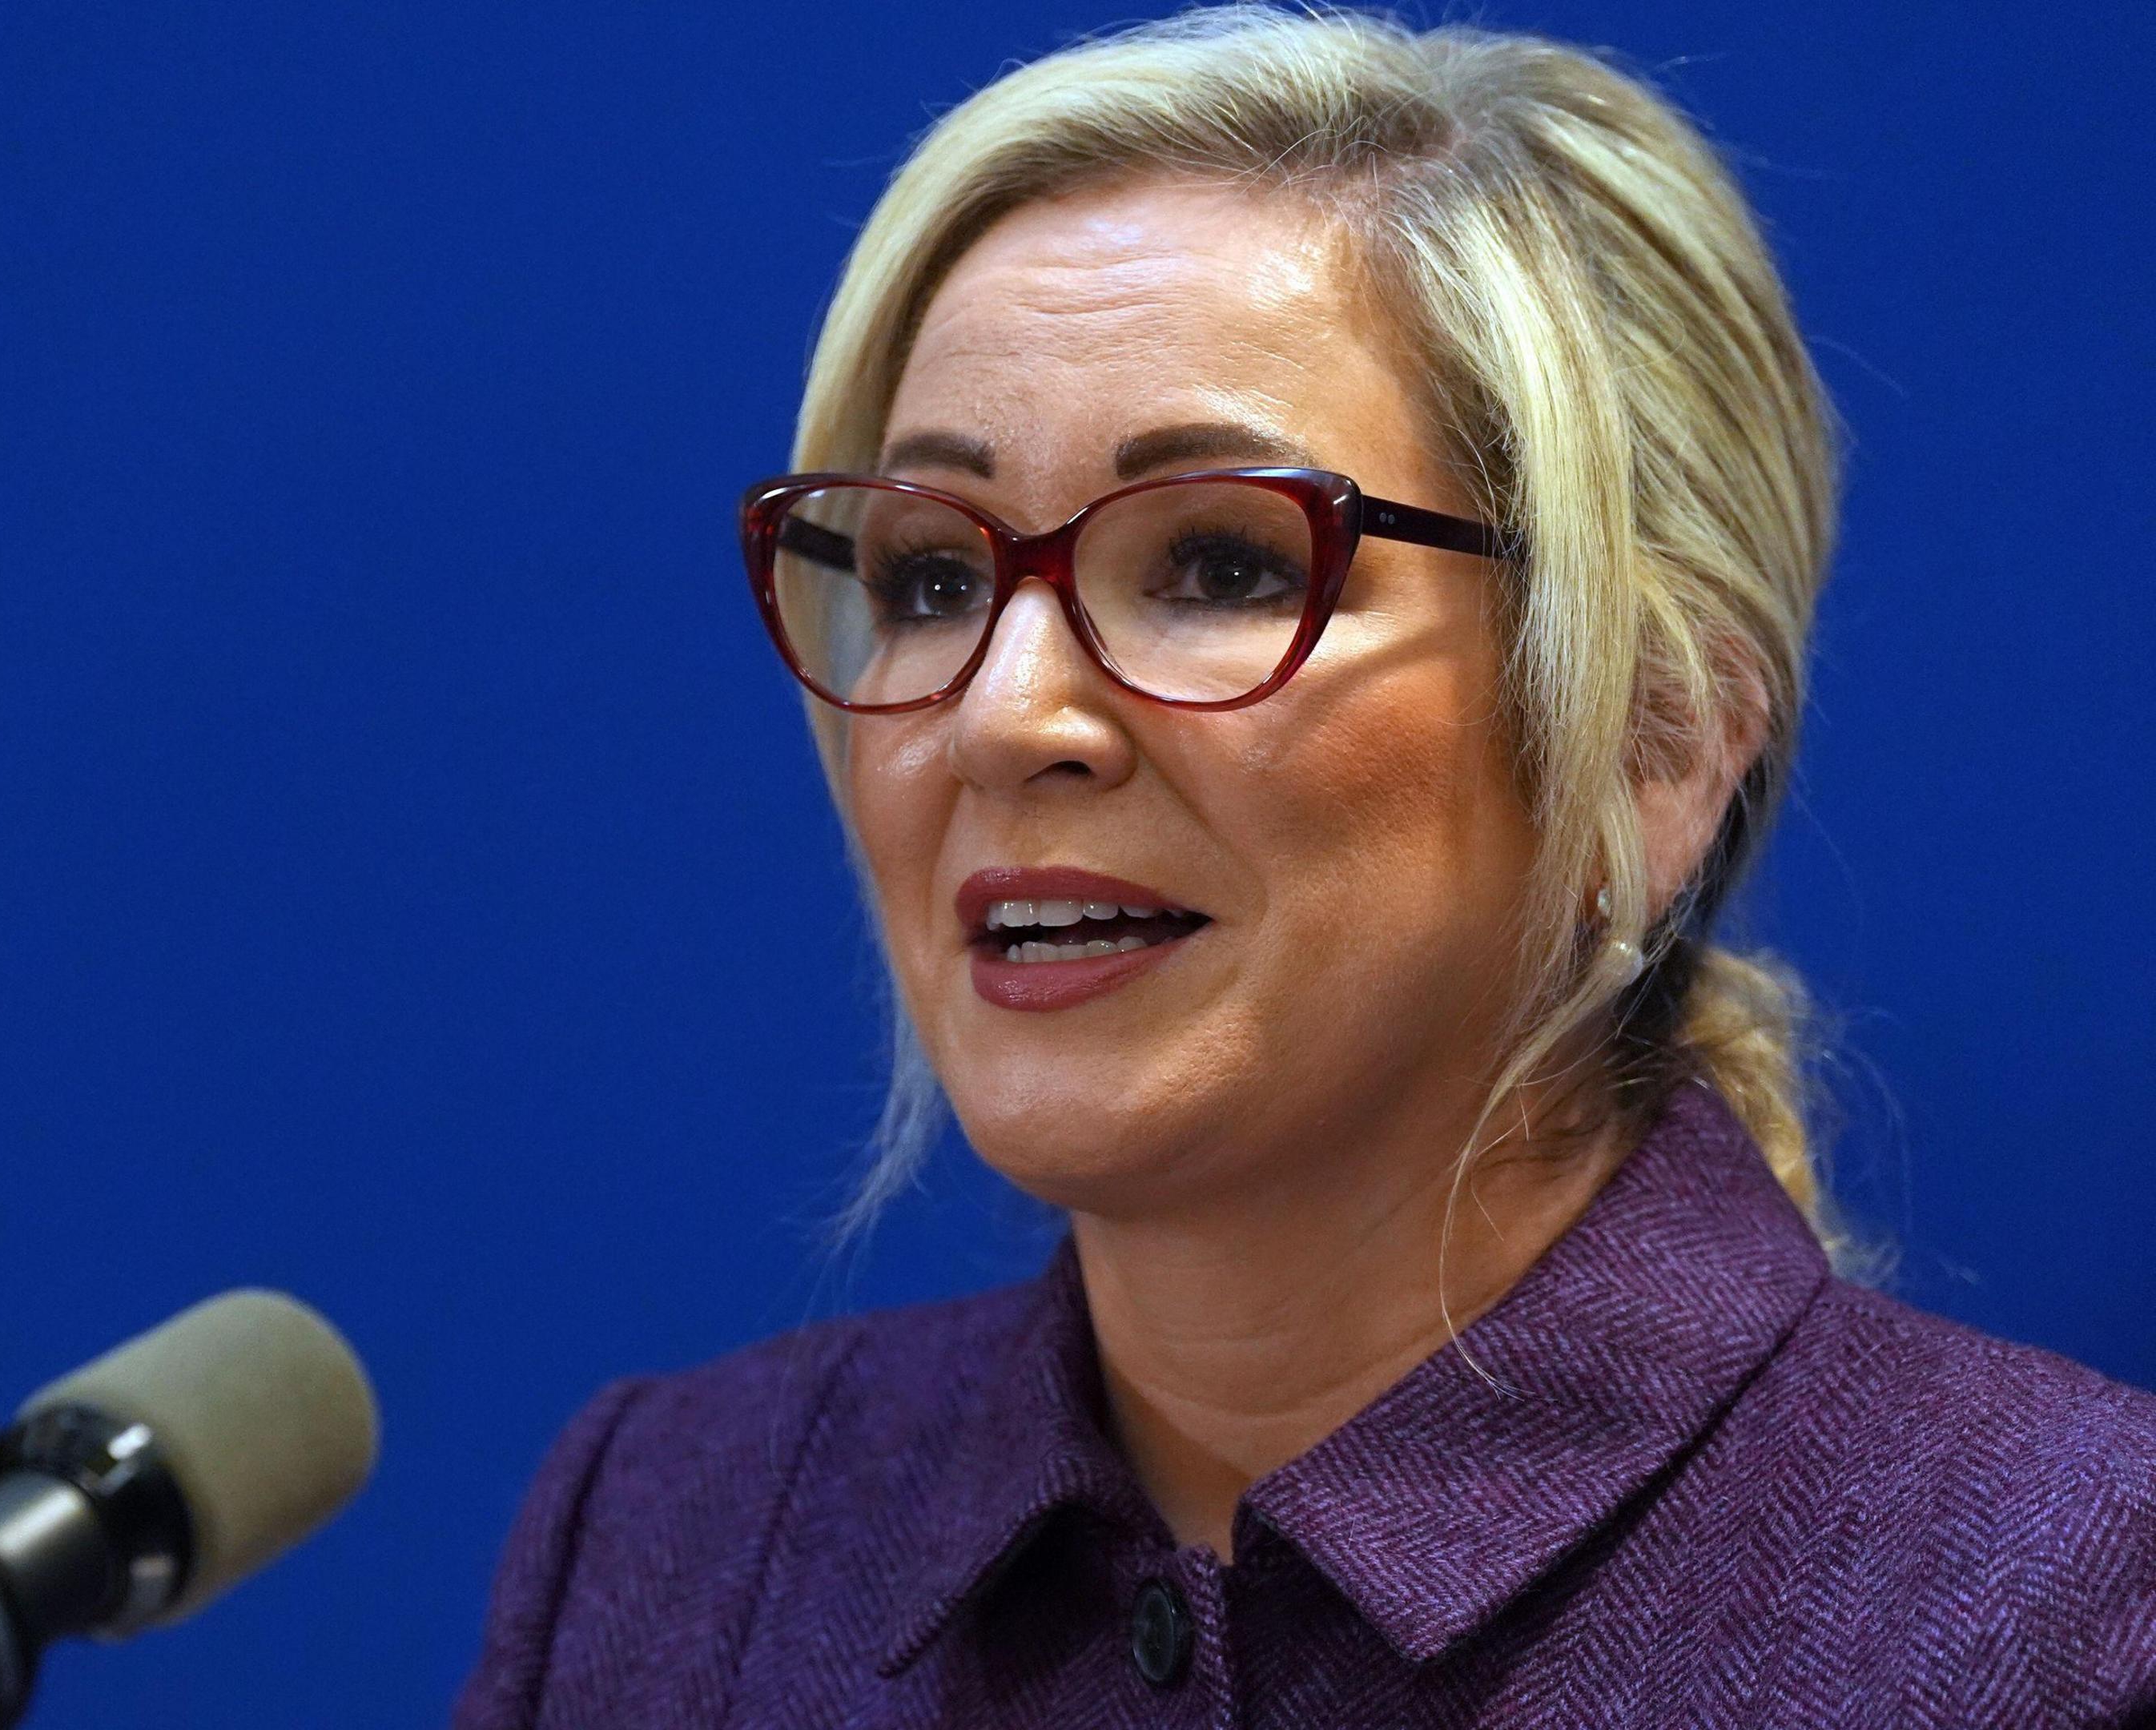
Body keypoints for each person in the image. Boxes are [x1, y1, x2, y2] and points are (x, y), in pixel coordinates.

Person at [451, 7, 2156, 1726]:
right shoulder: (675, 1536)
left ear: (1656, 740)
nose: (1001, 716)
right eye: (932, 581)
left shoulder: (2068, 1613)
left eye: (1214, 561)